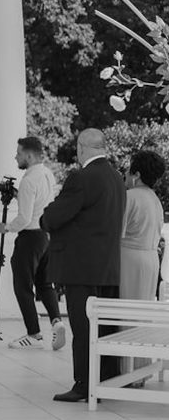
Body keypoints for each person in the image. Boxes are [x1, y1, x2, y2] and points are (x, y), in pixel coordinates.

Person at [40, 128, 126, 403]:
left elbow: (54, 216)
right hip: (108, 268)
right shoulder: (117, 177)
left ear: (81, 148)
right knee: (106, 328)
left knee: (84, 328)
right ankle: (107, 380)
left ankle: (85, 385)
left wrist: (45, 217)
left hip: (81, 269)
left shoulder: (82, 178)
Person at [0, 136, 66, 351]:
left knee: (22, 286)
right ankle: (57, 321)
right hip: (46, 235)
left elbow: (25, 218)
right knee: (44, 284)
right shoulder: (47, 174)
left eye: (18, 153)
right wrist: (18, 196)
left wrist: (7, 227)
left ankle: (34, 334)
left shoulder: (28, 180)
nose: (15, 157)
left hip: (29, 238)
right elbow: (39, 204)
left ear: (28, 155)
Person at [119, 149, 166, 384]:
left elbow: (118, 232)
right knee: (142, 315)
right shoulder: (155, 200)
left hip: (130, 258)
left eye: (129, 171)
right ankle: (142, 369)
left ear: (136, 174)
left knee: (126, 315)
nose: (126, 176)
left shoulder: (130, 197)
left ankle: (128, 372)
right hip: (150, 260)